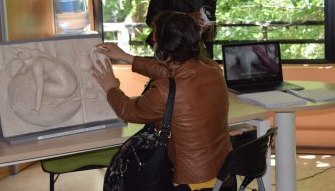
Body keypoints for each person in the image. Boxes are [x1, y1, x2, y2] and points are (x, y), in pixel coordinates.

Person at [91, 11, 233, 189]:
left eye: (155, 40)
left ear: (162, 49)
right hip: (224, 175)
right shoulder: (213, 70)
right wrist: (127, 57)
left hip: (190, 183)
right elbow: (170, 72)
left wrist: (111, 88)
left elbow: (128, 110)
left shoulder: (165, 91)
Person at [5, 47, 77, 112]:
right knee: (43, 78)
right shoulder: (35, 56)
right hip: (72, 80)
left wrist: (37, 109)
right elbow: (48, 56)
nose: (21, 74)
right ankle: (62, 94)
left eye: (19, 73)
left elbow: (40, 88)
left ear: (20, 69)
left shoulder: (36, 66)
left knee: (34, 85)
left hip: (67, 88)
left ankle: (61, 98)